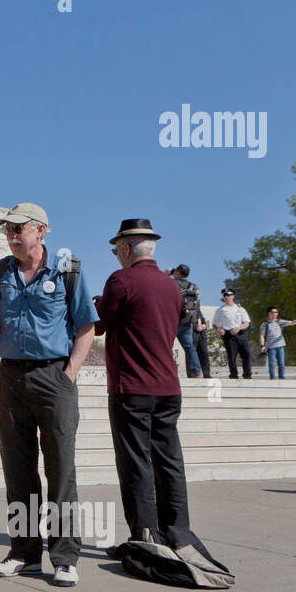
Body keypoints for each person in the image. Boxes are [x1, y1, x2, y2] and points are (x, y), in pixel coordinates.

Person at [0, 203, 97, 587]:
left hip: (54, 377)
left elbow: (86, 328)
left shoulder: (68, 271)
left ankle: (64, 557)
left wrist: (68, 375)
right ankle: (23, 552)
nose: (12, 236)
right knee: (18, 471)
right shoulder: (1, 272)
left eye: (19, 229)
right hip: (11, 377)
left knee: (60, 471)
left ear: (42, 231)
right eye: (8, 230)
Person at [94, 219, 190, 544]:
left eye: (115, 250)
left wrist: (94, 306)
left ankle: (146, 536)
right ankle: (178, 533)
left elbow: (98, 325)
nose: (116, 256)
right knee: (169, 462)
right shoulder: (171, 286)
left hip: (132, 387)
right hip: (168, 386)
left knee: (136, 463)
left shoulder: (121, 280)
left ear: (125, 248)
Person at [169, 265, 202, 378]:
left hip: (173, 321)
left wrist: (168, 273)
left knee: (167, 346)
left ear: (177, 272)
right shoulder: (193, 286)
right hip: (187, 321)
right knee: (189, 347)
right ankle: (197, 371)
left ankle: (168, 370)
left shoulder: (172, 284)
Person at [212, 288, 252, 379]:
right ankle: (233, 375)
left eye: (228, 295)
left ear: (233, 296)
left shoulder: (240, 309)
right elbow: (214, 324)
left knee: (246, 354)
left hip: (240, 334)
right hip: (228, 335)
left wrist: (239, 328)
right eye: (225, 295)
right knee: (232, 357)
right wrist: (219, 330)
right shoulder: (221, 310)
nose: (226, 297)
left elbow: (247, 323)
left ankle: (247, 375)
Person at [259, 307, 296, 379]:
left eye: (276, 312)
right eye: (274, 312)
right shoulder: (265, 324)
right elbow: (262, 335)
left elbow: (291, 322)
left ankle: (282, 378)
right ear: (269, 313)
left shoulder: (279, 322)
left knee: (281, 363)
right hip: (271, 347)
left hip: (280, 345)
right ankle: (273, 378)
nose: (275, 314)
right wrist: (262, 345)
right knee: (272, 363)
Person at [193, 304, 213, 380]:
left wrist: (204, 325)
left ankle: (206, 374)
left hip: (201, 336)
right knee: (192, 355)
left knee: (204, 354)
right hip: (193, 336)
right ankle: (193, 374)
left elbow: (203, 320)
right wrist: (195, 327)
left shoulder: (198, 310)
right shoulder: (187, 309)